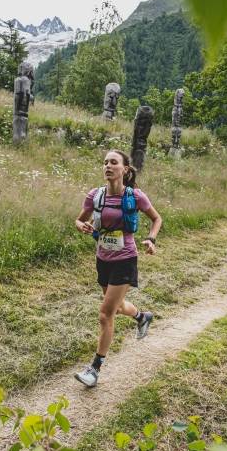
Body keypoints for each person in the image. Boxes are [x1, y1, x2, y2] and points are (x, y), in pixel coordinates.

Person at [73, 150, 162, 387]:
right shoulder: (95, 195)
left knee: (105, 314)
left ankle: (95, 368)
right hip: (103, 258)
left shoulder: (135, 196)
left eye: (114, 162)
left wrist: (151, 240)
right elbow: (79, 219)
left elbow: (156, 219)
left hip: (125, 259)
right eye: (105, 162)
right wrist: (81, 225)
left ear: (125, 169)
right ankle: (143, 317)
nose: (108, 166)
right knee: (118, 306)